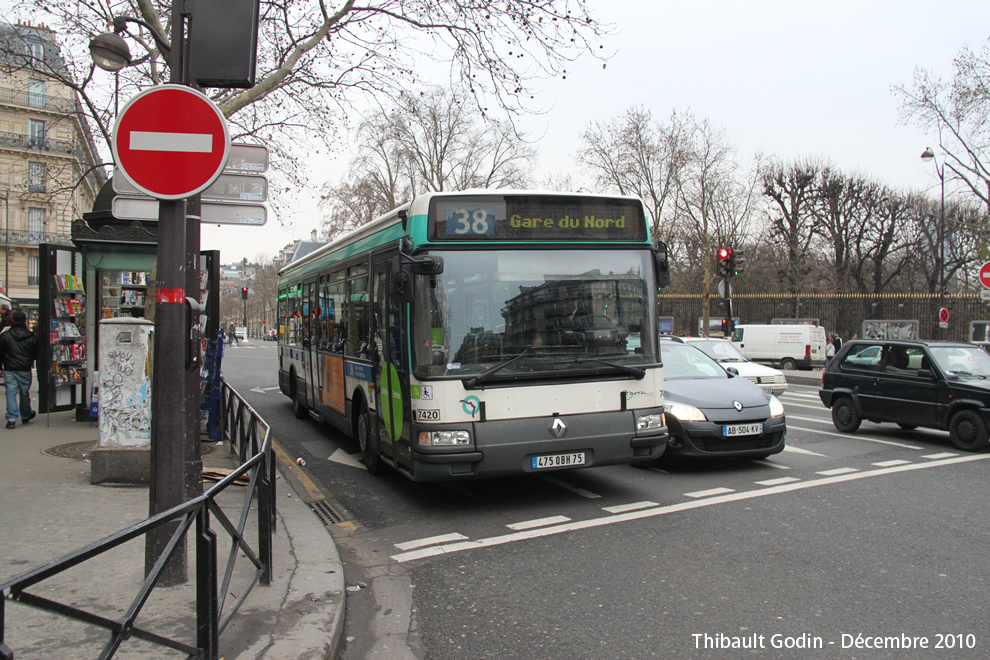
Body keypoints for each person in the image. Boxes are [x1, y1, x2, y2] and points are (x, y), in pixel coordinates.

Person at [0, 310, 39, 429]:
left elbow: (1, 352)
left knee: (10, 393)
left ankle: (11, 418)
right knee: (24, 392)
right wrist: (29, 361)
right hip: (25, 368)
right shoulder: (31, 337)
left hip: (10, 368)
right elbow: (35, 353)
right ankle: (26, 414)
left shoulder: (5, 336)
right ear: (25, 321)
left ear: (13, 320)